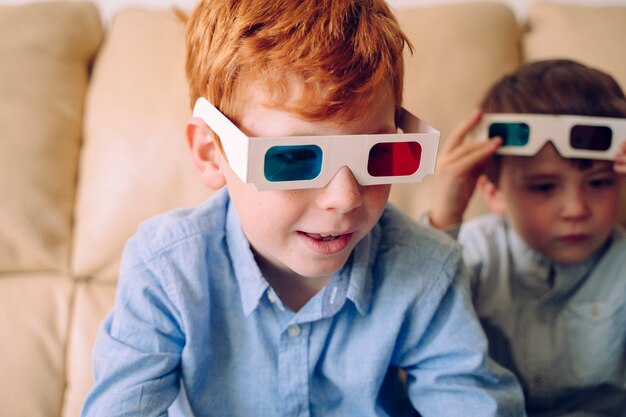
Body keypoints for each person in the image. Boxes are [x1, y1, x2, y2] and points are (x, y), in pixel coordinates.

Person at [80, 1, 525, 416]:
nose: (346, 198)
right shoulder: (166, 269)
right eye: (295, 158)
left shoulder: (426, 268)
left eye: (378, 155)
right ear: (212, 153)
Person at [427, 59, 626, 416]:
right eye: (544, 187)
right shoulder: (473, 251)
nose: (576, 208)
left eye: (599, 183)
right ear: (493, 191)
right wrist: (445, 214)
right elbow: (414, 314)